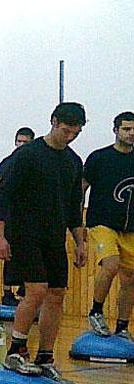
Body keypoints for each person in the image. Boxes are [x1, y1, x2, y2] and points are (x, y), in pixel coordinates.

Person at [0, 103, 87, 380]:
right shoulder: (27, 155)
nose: (70, 136)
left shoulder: (73, 161)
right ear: (54, 122)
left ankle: (45, 356)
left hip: (54, 237)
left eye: (76, 132)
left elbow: (74, 207)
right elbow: (3, 195)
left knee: (56, 294)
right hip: (24, 235)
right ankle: (16, 351)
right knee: (35, 291)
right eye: (66, 130)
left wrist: (80, 242)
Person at [83, 111, 134, 339]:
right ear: (116, 130)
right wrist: (76, 222)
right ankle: (96, 311)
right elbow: (81, 188)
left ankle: (122, 326)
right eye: (126, 129)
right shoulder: (99, 158)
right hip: (102, 223)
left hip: (130, 228)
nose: (131, 133)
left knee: (130, 278)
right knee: (111, 265)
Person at [0, 127, 35, 306]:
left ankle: (25, 289)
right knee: (9, 254)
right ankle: (7, 293)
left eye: (25, 142)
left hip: (30, 217)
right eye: (19, 141)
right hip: (10, 216)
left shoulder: (35, 163)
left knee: (30, 253)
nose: (21, 145)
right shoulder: (7, 163)